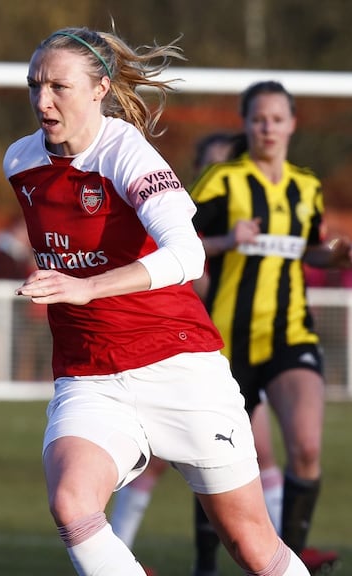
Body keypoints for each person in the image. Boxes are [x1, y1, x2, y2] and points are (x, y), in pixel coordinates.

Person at [5, 27, 309, 575]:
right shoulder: (20, 163)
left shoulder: (127, 152)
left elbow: (189, 256)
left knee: (251, 547)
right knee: (72, 505)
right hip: (90, 373)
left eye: (58, 86)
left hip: (179, 365)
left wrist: (86, 286)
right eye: (34, 85)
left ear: (99, 89)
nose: (42, 100)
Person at [191, 80, 352, 574]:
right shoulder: (222, 181)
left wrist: (336, 255)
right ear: (246, 124)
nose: (267, 127)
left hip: (290, 334)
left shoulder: (306, 187)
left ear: (293, 123)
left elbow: (311, 248)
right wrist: (228, 239)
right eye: (258, 118)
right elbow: (173, 242)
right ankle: (204, 564)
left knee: (307, 446)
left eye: (276, 118)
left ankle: (285, 563)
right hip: (227, 342)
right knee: (215, 461)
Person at [109, 132, 288, 568]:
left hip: (230, 350)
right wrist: (227, 242)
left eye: (224, 164)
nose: (217, 172)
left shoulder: (256, 211)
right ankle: (119, 552)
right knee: (151, 460)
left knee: (257, 454)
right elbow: (186, 259)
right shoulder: (176, 210)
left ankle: (279, 550)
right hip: (181, 350)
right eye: (210, 163)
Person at [0, 212, 50, 381]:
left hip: (37, 311)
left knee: (40, 350)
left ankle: (37, 380)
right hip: (19, 309)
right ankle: (9, 380)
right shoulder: (6, 252)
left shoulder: (32, 251)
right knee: (13, 346)